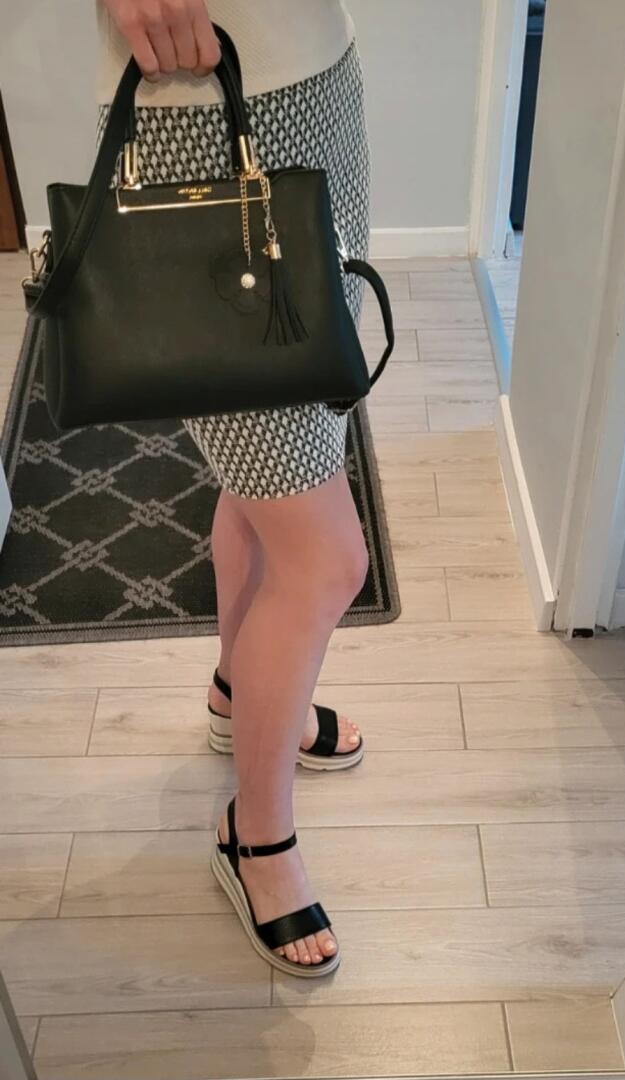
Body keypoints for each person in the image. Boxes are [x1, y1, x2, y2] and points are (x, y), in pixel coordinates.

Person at [98, 0, 371, 977]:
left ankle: (239, 692)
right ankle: (254, 837)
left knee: (271, 469)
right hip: (192, 101)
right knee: (328, 560)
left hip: (319, 69)